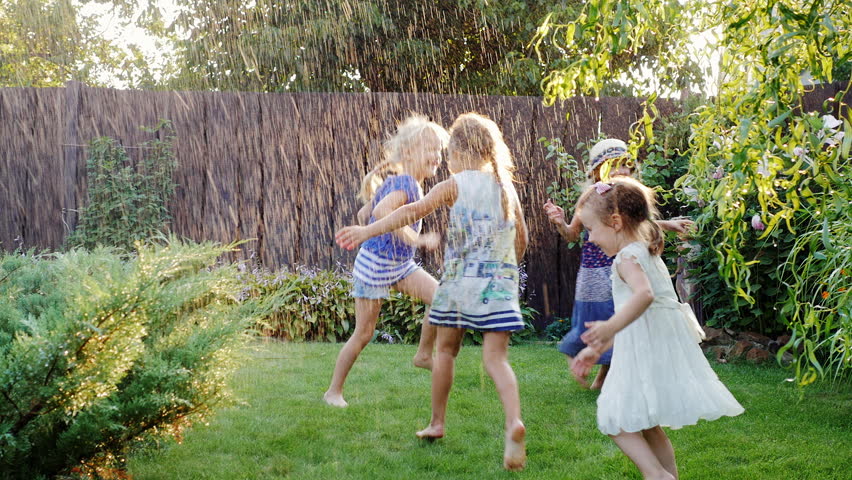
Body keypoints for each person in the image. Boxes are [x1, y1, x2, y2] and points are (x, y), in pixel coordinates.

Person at [335, 112, 529, 471]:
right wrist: (504, 268)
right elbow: (522, 240)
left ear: (457, 154)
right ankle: (513, 421)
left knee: (445, 353)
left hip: (459, 283)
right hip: (499, 284)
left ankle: (437, 422)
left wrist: (367, 231)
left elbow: (411, 211)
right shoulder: (506, 188)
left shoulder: (453, 185)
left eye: (447, 154)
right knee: (496, 360)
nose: (444, 161)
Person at [570, 176, 744, 480]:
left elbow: (644, 296)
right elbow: (634, 314)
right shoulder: (642, 248)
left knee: (614, 418)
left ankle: (656, 475)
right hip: (654, 345)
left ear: (615, 222)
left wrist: (607, 328)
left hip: (643, 350)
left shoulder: (627, 258)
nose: (591, 238)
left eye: (591, 229)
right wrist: (594, 348)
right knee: (648, 423)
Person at [543, 138, 692, 389]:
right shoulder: (592, 200)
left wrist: (668, 224)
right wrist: (559, 223)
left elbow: (640, 225)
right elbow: (572, 234)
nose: (621, 171)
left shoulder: (631, 198)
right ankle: (584, 358)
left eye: (626, 165)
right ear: (596, 171)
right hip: (594, 271)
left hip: (622, 268)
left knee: (620, 316)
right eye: (614, 165)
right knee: (594, 317)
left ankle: (604, 377)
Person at [323, 114, 449, 408]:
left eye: (438, 151)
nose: (436, 156)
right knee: (364, 333)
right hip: (375, 267)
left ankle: (423, 355)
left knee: (440, 298)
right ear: (408, 153)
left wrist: (372, 227)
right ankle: (333, 392)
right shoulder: (406, 184)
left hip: (399, 265)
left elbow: (364, 215)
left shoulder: (399, 182)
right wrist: (416, 239)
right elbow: (381, 213)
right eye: (429, 149)